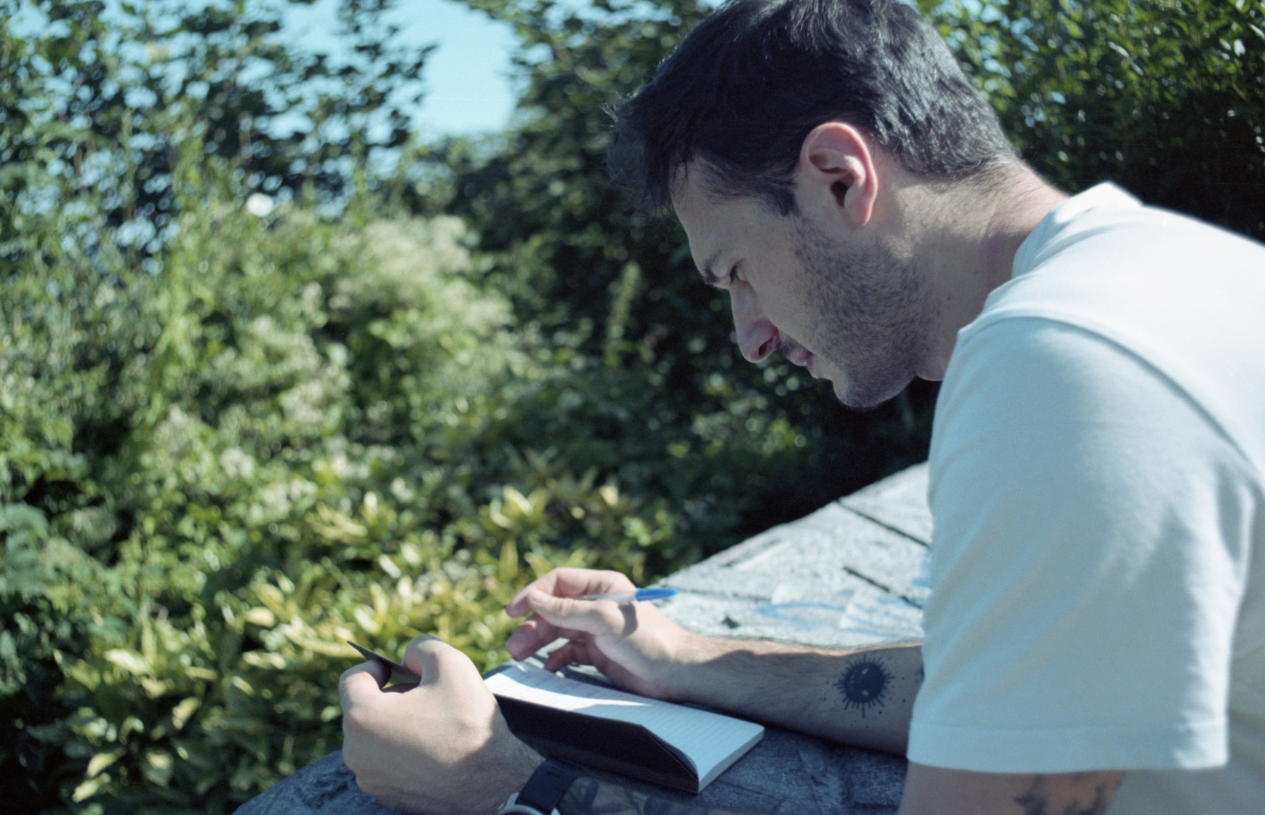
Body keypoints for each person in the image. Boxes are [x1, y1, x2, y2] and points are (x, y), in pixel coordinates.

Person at [338, 0, 1265, 812]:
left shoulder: (1058, 372)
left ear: (838, 177)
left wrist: (494, 783)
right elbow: (1004, 686)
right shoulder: (1168, 273)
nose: (751, 337)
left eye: (736, 272)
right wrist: (685, 656)